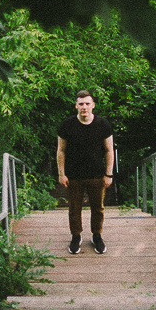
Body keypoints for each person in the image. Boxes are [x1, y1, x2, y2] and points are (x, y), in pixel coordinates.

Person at [55, 89, 114, 255]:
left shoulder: (103, 124)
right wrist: (61, 173)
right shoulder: (67, 125)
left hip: (97, 174)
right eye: (81, 104)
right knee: (74, 208)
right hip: (73, 175)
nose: (84, 107)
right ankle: (76, 236)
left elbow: (109, 150)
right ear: (76, 105)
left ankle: (97, 236)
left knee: (98, 208)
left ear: (93, 105)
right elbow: (61, 150)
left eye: (87, 103)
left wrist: (109, 174)